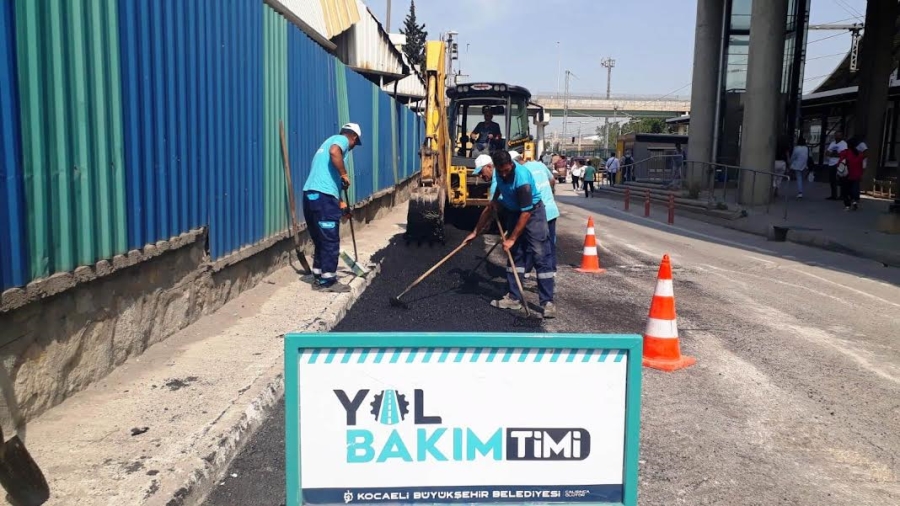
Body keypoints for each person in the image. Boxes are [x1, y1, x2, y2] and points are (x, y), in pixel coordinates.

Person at [465, 150, 556, 317]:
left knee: (540, 254)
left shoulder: (522, 179)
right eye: (501, 171)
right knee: (515, 256)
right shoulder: (499, 174)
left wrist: (512, 238)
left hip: (533, 213)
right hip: (514, 212)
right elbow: (495, 197)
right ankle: (514, 298)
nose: (504, 174)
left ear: (511, 164)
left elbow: (526, 212)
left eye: (507, 170)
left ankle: (547, 302)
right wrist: (475, 232)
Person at [301, 122, 362, 292]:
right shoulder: (340, 140)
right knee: (330, 240)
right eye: (355, 145)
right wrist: (344, 174)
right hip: (323, 197)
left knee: (320, 239)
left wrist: (340, 204)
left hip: (310, 195)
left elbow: (328, 179)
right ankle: (328, 281)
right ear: (353, 138)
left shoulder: (325, 143)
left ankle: (319, 275)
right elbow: (335, 152)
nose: (352, 148)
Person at [838, 138, 865, 211]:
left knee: (845, 191)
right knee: (853, 190)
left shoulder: (845, 152)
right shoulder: (859, 154)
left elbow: (840, 161)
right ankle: (854, 202)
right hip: (856, 175)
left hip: (847, 174)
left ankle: (847, 205)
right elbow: (861, 165)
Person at [826, 132, 847, 200]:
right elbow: (827, 152)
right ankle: (833, 195)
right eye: (836, 136)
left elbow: (844, 154)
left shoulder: (844, 144)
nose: (837, 137)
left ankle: (842, 195)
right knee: (832, 180)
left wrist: (833, 154)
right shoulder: (832, 143)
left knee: (841, 180)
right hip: (831, 163)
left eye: (839, 136)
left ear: (841, 136)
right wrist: (834, 154)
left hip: (839, 163)